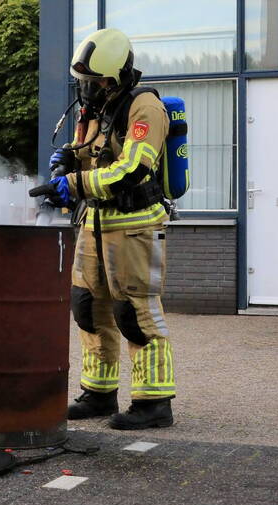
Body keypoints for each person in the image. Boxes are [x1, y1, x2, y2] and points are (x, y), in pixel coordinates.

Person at [34, 28, 176, 430]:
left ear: (116, 76)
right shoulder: (95, 110)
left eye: (94, 82)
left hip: (133, 227)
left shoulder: (144, 107)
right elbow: (88, 157)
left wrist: (73, 184)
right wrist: (66, 162)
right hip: (93, 222)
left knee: (134, 311)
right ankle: (99, 393)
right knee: (87, 308)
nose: (87, 89)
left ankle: (154, 402)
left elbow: (132, 169)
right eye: (83, 82)